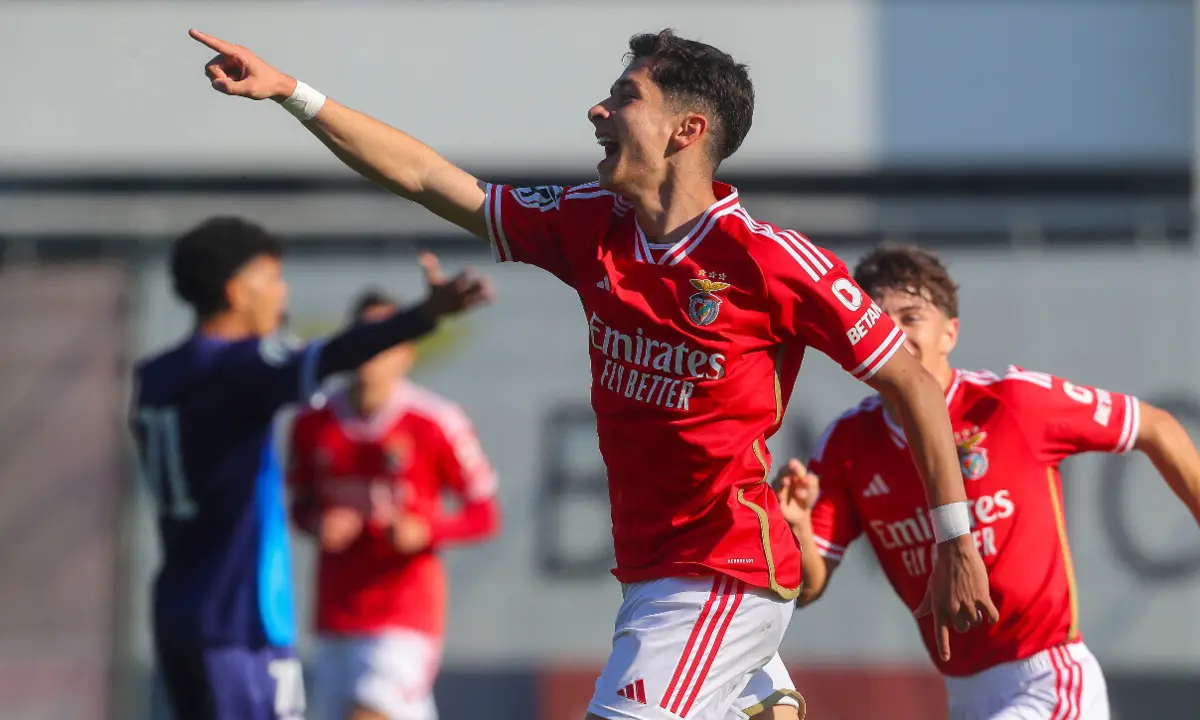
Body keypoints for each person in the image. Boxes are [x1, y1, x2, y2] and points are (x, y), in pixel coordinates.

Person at [187, 28, 997, 720]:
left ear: (687, 129)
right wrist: (294, 93)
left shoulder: (767, 261)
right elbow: (434, 181)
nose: (598, 112)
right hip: (651, 570)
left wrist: (957, 544)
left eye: (624, 97)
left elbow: (913, 384)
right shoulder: (588, 224)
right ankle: (755, 696)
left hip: (721, 567)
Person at [770, 243, 1200, 719]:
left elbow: (1157, 427)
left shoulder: (1012, 404)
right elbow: (808, 588)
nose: (891, 330)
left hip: (1048, 680)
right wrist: (797, 527)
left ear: (950, 333)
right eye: (876, 317)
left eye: (911, 317)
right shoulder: (847, 442)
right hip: (963, 696)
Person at [130, 217, 490, 720]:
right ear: (237, 292)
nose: (283, 293)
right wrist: (425, 314)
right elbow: (336, 353)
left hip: (178, 614)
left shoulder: (155, 377)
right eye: (273, 279)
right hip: (242, 623)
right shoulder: (241, 369)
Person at [288, 289, 502, 720]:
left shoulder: (435, 421)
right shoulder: (313, 424)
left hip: (404, 613)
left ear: (406, 354)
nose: (373, 354)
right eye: (366, 339)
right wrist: (318, 523)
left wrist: (426, 530)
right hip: (336, 615)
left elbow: (484, 514)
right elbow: (299, 507)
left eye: (386, 342)